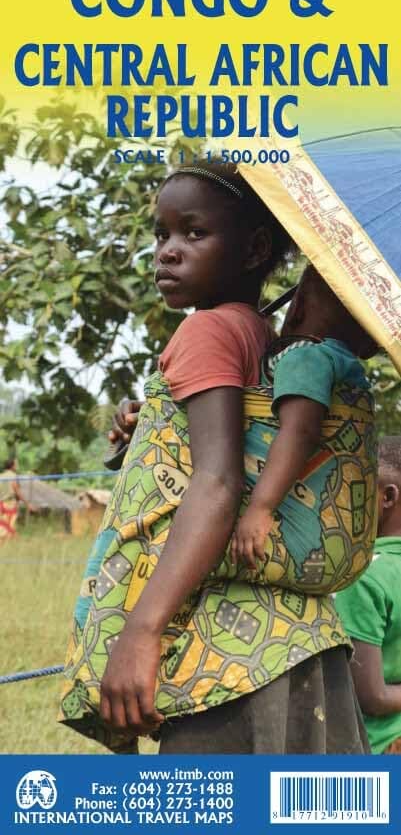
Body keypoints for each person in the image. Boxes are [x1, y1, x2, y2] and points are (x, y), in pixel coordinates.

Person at [59, 161, 369, 755]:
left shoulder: (206, 333)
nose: (168, 252)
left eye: (194, 233)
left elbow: (219, 482)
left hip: (222, 652)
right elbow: (244, 443)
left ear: (255, 249)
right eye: (161, 234)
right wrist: (151, 422)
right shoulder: (260, 336)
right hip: (295, 637)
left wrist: (142, 631)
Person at [230, 264, 378, 591]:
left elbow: (300, 430)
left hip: (286, 529)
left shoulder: (306, 357)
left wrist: (260, 508)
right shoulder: (348, 369)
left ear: (296, 308)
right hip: (339, 547)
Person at [336, 437, 401, 754]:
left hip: (377, 746)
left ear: (387, 497)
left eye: (356, 489)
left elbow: (373, 698)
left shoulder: (363, 577)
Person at [0, 456, 26, 540]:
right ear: (12, 466)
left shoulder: (1, 476)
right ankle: (10, 537)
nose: (17, 466)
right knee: (10, 522)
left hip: (2, 503)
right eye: (16, 464)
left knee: (4, 523)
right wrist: (26, 502)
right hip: (10, 503)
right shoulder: (14, 476)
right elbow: (17, 491)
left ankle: (7, 538)